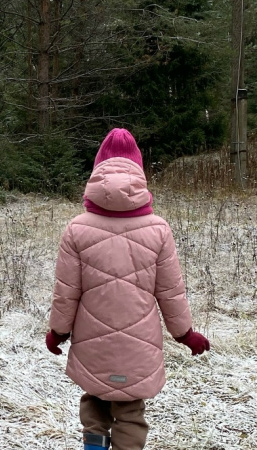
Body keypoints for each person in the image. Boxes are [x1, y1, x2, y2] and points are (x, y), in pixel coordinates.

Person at [45, 128, 210, 450]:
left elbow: (66, 291)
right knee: (131, 410)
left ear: (96, 175)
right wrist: (184, 333)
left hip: (92, 340)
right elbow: (171, 291)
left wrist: (58, 331)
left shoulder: (77, 229)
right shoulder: (158, 230)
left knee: (95, 398)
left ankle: (94, 445)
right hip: (140, 342)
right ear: (139, 175)